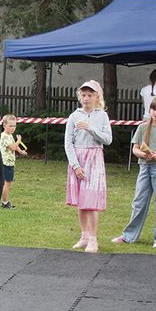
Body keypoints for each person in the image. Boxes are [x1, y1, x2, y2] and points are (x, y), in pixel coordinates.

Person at [64, 80, 112, 253]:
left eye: (90, 95)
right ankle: (84, 235)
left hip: (94, 159)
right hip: (78, 159)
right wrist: (75, 165)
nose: (86, 98)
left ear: (96, 97)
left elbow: (108, 139)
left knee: (91, 202)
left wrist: (90, 128)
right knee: (81, 202)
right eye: (83, 95)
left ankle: (93, 239)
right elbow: (68, 143)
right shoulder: (74, 116)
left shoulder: (102, 116)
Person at [112, 95, 156, 249]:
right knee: (138, 203)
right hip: (144, 167)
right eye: (154, 109)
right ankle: (129, 236)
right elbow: (135, 148)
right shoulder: (142, 127)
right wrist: (142, 154)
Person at [0, 114, 27, 210]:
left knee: (4, 183)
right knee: (3, 183)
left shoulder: (9, 135)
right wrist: (19, 140)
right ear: (4, 125)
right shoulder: (4, 136)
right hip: (5, 163)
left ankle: (1, 201)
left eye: (14, 126)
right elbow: (13, 146)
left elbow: (15, 147)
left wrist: (20, 151)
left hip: (9, 163)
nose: (13, 128)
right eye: (10, 126)